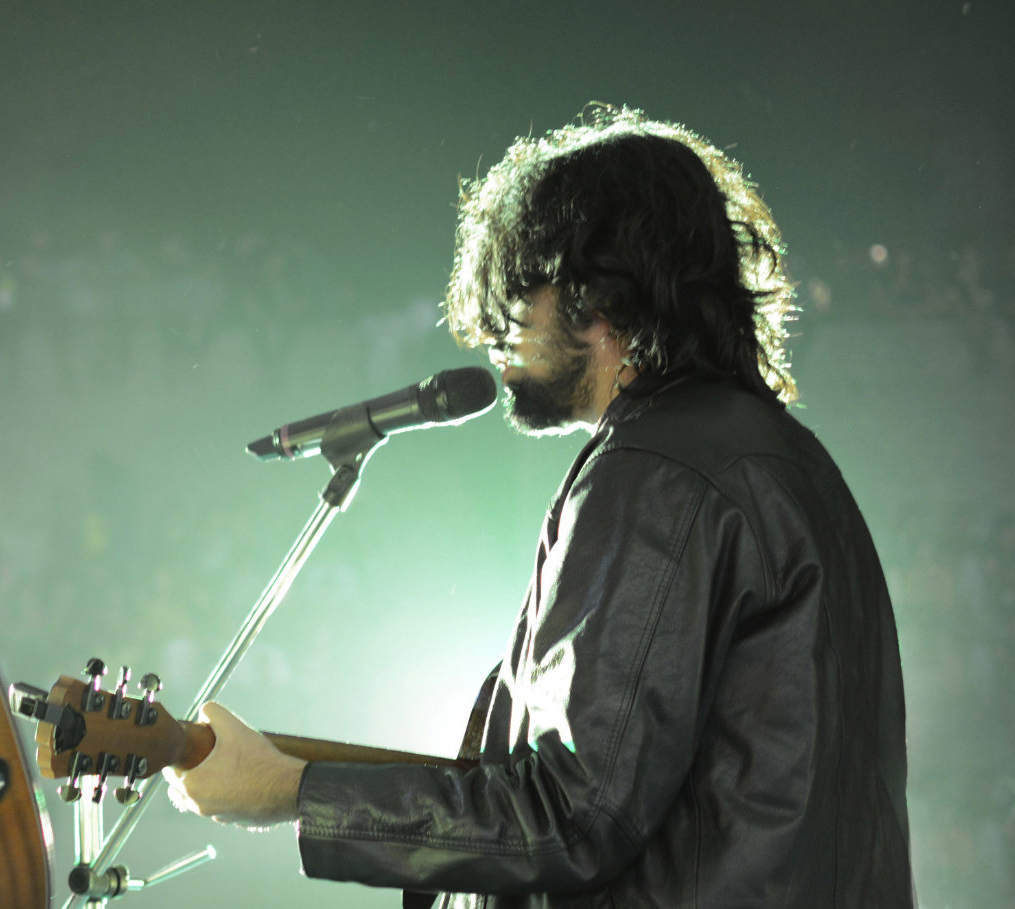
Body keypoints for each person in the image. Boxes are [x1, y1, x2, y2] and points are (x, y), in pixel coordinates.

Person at [164, 106, 912, 907]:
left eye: (519, 289)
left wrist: (290, 793)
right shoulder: (792, 462)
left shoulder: (653, 471)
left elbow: (573, 815)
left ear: (598, 296)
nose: (491, 328)